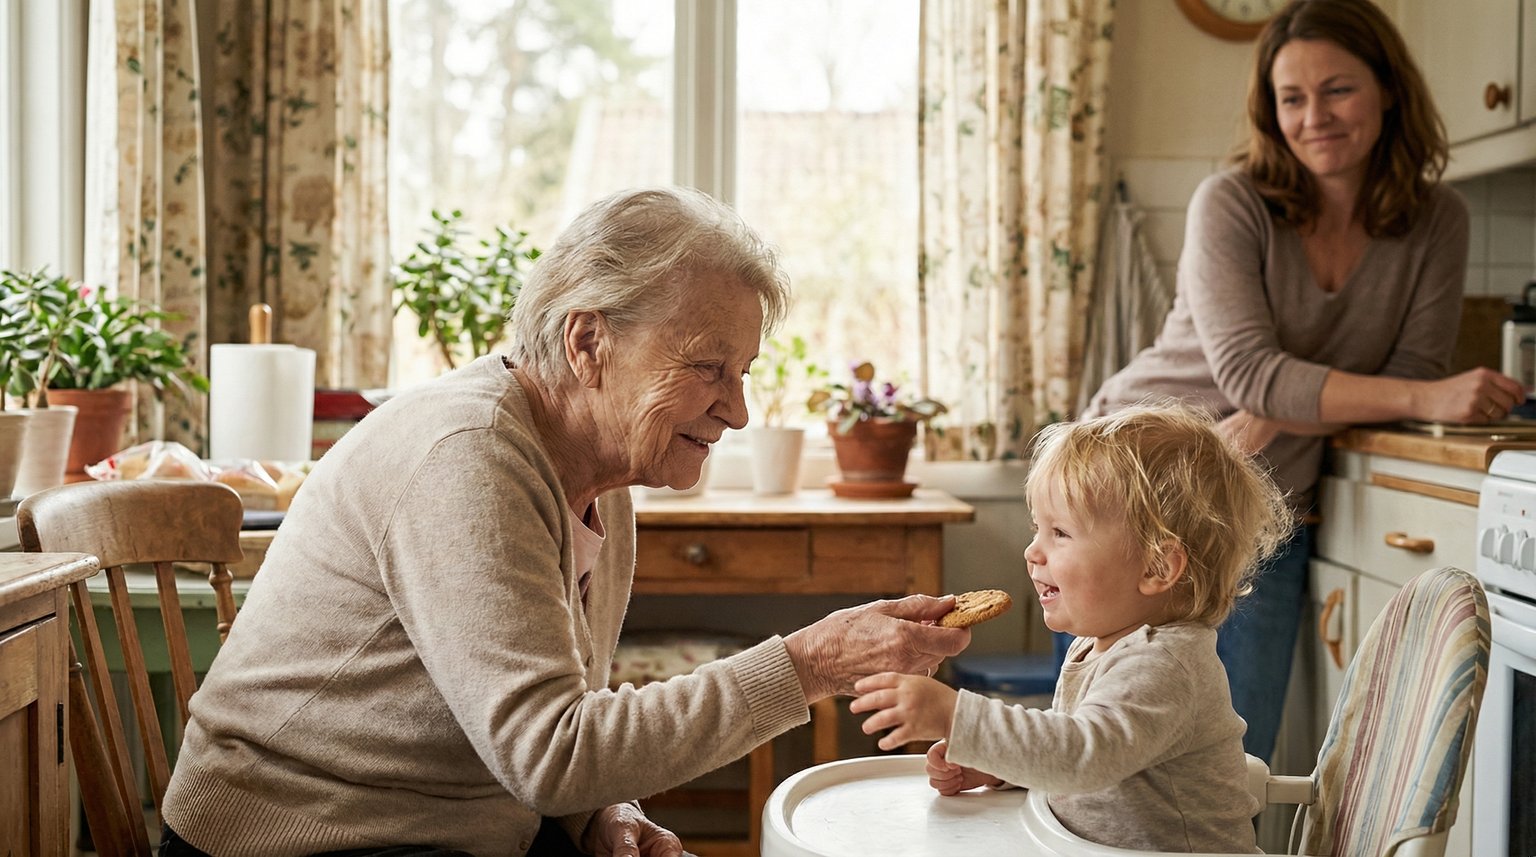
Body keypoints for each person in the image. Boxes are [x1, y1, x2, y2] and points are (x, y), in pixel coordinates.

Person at [159, 187, 972, 857]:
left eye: (744, 371)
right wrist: (807, 663)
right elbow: (550, 753)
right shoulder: (467, 455)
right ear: (589, 342)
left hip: (460, 824)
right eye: (708, 367)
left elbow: (555, 716)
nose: (739, 408)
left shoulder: (602, 477)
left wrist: (606, 813)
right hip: (301, 839)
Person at [1078, 0, 1526, 763]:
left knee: (1226, 766)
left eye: (1338, 90)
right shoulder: (1232, 201)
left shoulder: (1438, 221)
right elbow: (1259, 373)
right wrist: (1417, 399)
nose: (1314, 116)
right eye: (1292, 98)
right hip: (1133, 490)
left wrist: (1272, 416)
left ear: (1388, 89)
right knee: (1102, 766)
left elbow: (1398, 371)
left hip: (1264, 506)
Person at [849, 406, 1290, 852]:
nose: (1032, 551)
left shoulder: (1164, 664)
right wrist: (1003, 767)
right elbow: (1072, 752)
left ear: (1157, 566)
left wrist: (956, 717)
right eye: (1037, 528)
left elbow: (1084, 754)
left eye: (1059, 532)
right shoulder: (1100, 645)